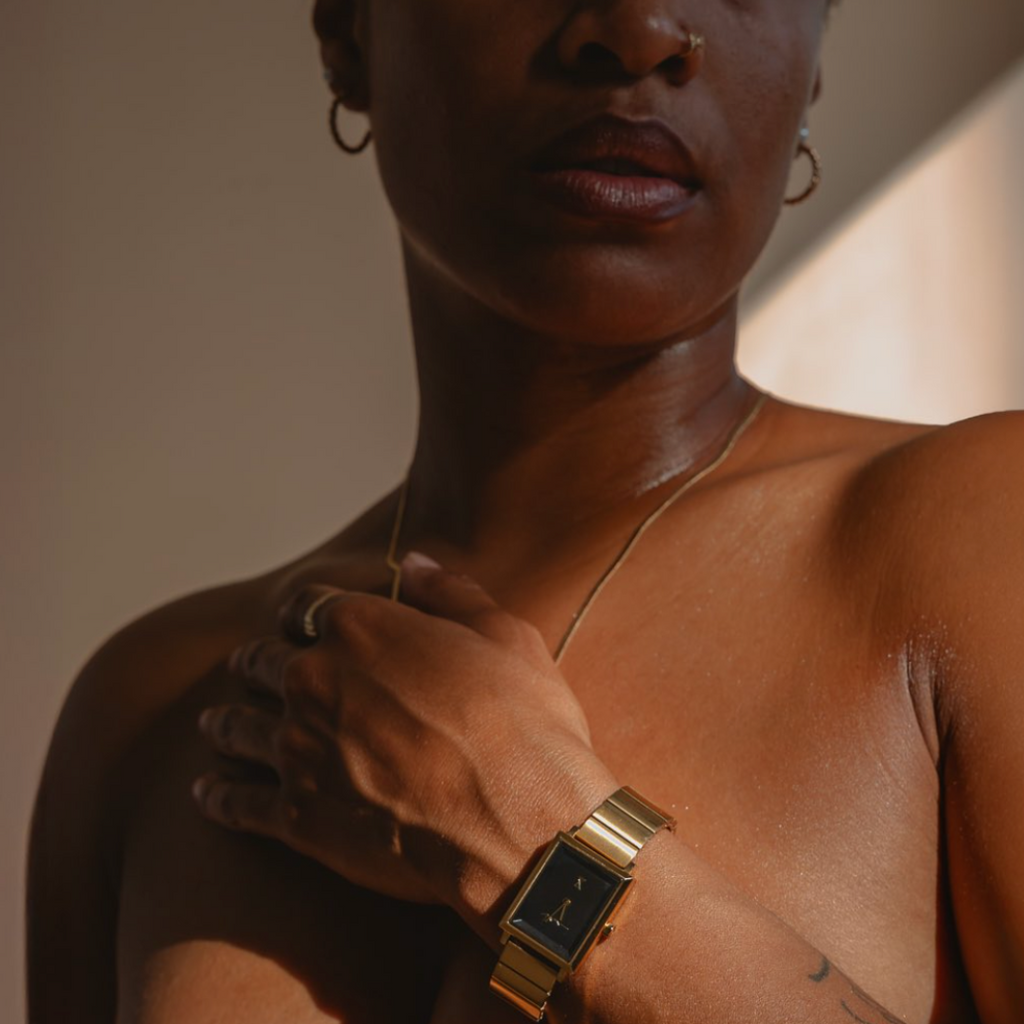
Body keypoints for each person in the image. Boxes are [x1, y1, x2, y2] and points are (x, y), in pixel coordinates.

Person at [26, 0, 1024, 1021]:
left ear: (814, 62)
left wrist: (531, 832)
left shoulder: (979, 533)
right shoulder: (150, 716)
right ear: (347, 33)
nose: (635, 30)